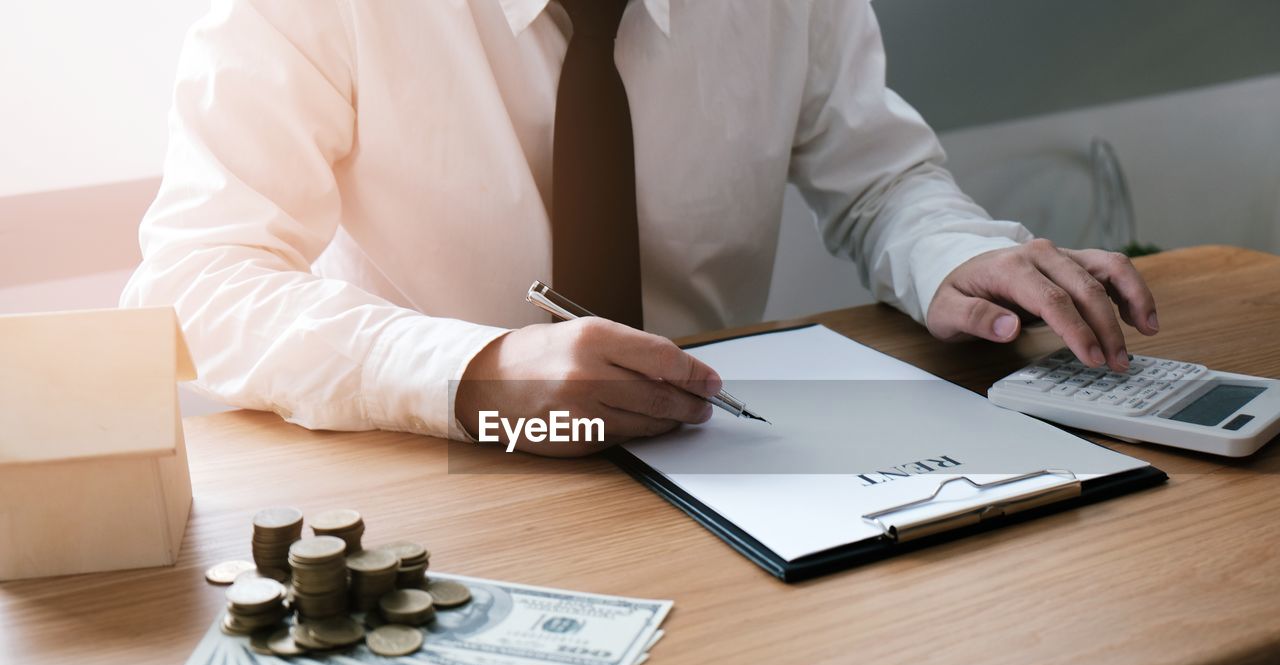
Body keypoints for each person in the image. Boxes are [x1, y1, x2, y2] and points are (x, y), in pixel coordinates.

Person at [122, 0, 1159, 455]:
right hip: (437, 475)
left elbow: (880, 180)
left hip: (718, 454)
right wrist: (477, 372)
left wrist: (952, 251)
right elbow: (193, 282)